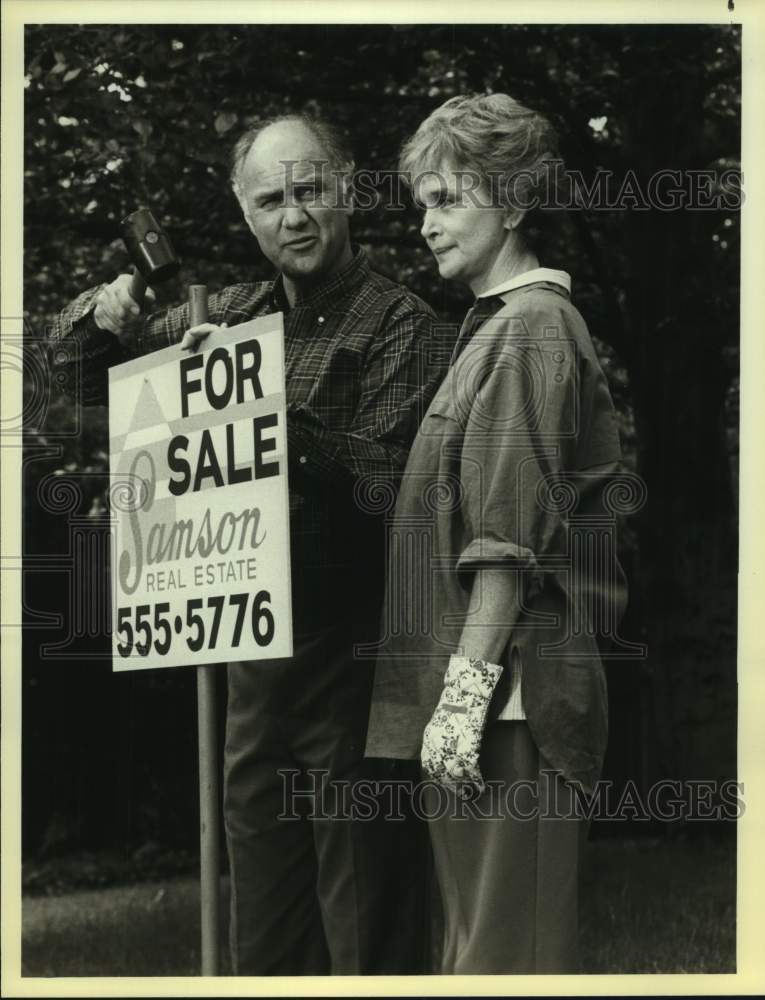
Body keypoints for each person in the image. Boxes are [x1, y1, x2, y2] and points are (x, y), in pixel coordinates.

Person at [49, 112, 447, 975]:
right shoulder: (220, 318)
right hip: (248, 671)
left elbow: (383, 485)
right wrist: (105, 317)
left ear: (345, 186)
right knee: (264, 939)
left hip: (357, 667)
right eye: (270, 200)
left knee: (368, 931)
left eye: (309, 191)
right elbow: (73, 391)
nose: (293, 217)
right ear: (243, 213)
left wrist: (267, 416)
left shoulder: (403, 326)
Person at [365, 93, 628, 974]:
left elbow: (505, 544)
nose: (427, 225)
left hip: (510, 703)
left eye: (447, 200)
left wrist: (464, 695)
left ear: (513, 204)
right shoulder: (491, 331)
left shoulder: (529, 331)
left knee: (503, 964)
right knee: (474, 958)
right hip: (481, 705)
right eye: (422, 205)